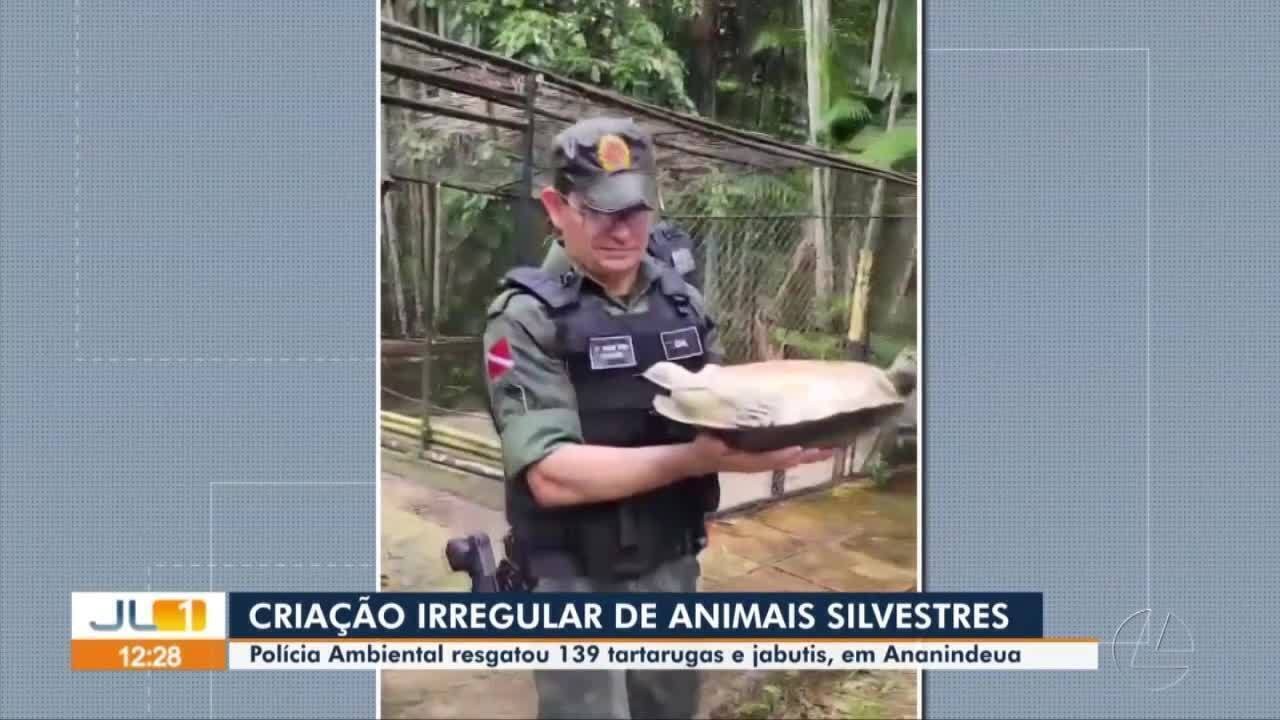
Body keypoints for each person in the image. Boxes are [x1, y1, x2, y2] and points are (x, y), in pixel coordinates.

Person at [481, 117, 831, 720]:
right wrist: (694, 460)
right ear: (557, 208)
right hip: (575, 575)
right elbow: (552, 475)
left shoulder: (682, 304)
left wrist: (789, 434)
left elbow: (720, 416)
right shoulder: (525, 318)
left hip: (670, 560)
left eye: (636, 209)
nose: (622, 230)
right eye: (600, 211)